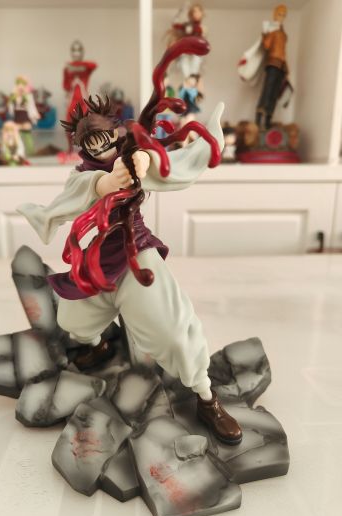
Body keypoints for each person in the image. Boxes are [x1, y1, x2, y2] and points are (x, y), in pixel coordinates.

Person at [18, 96, 242, 446]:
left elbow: (164, 163)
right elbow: (81, 190)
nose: (99, 148)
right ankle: (101, 347)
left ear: (115, 133)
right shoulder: (83, 175)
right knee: (71, 320)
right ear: (82, 146)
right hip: (98, 261)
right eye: (90, 143)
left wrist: (146, 160)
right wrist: (105, 183)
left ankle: (206, 397)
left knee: (175, 335)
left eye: (103, 139)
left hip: (137, 258)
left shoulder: (134, 158)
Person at [256, 4, 289, 129]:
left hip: (281, 65)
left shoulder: (282, 31)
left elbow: (283, 51)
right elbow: (266, 45)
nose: (282, 17)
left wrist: (287, 68)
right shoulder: (272, 29)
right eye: (280, 14)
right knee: (267, 92)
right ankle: (258, 121)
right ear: (275, 14)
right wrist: (265, 33)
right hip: (272, 63)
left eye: (284, 15)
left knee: (274, 94)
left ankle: (267, 121)